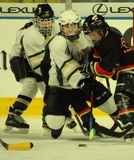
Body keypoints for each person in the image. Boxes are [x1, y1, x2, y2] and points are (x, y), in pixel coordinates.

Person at [41, 9, 120, 139]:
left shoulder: (87, 36)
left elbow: (99, 50)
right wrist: (81, 81)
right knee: (54, 124)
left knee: (111, 105)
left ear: (79, 25)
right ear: (61, 27)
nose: (71, 29)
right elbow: (67, 65)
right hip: (61, 87)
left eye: (73, 25)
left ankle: (127, 123)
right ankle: (59, 114)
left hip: (85, 81)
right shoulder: (57, 43)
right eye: (67, 26)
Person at [4, 4, 76, 134]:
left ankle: (47, 114)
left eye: (48, 20)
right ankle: (15, 115)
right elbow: (40, 67)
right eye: (42, 21)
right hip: (20, 57)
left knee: (45, 84)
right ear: (36, 20)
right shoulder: (31, 36)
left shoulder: (55, 28)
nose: (46, 23)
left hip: (40, 58)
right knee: (32, 85)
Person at [81, 14, 134, 143]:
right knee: (130, 102)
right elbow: (96, 59)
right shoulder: (104, 40)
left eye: (94, 33)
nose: (92, 36)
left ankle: (127, 126)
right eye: (89, 34)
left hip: (131, 70)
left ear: (102, 30)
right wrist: (90, 67)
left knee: (121, 97)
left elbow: (108, 70)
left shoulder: (109, 42)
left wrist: (91, 68)